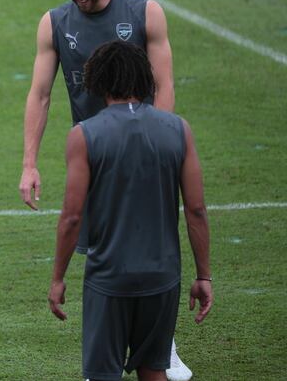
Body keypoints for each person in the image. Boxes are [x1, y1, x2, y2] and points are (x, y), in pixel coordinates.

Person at [18, 0, 191, 380]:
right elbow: (40, 93)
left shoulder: (145, 13)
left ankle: (161, 347)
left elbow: (164, 83)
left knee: (150, 244)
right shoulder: (54, 23)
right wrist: (29, 163)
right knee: (101, 250)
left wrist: (157, 142)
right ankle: (136, 348)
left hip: (147, 152)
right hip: (93, 155)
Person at [47, 41, 213, 381]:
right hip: (163, 278)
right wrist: (203, 275)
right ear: (144, 78)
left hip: (110, 279)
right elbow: (195, 210)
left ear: (98, 81)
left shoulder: (84, 135)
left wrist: (58, 277)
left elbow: (72, 217)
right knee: (154, 371)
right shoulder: (179, 130)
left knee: (103, 374)